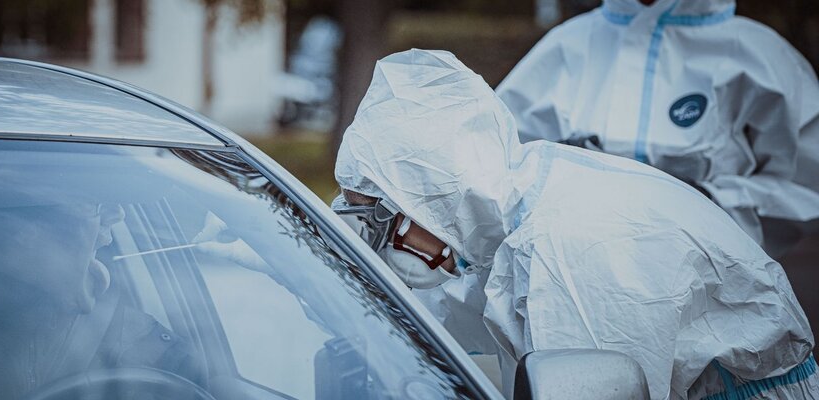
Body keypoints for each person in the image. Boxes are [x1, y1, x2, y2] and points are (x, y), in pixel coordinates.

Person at [333, 49, 817, 399]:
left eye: (379, 221)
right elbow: (453, 324)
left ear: (430, 198)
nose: (377, 245)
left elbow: (591, 389)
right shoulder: (502, 215)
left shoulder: (571, 253)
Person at [495, 0, 819, 258]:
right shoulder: (563, 47)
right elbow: (494, 170)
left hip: (714, 303)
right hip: (566, 290)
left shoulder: (762, 57)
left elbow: (805, 189)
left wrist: (709, 202)